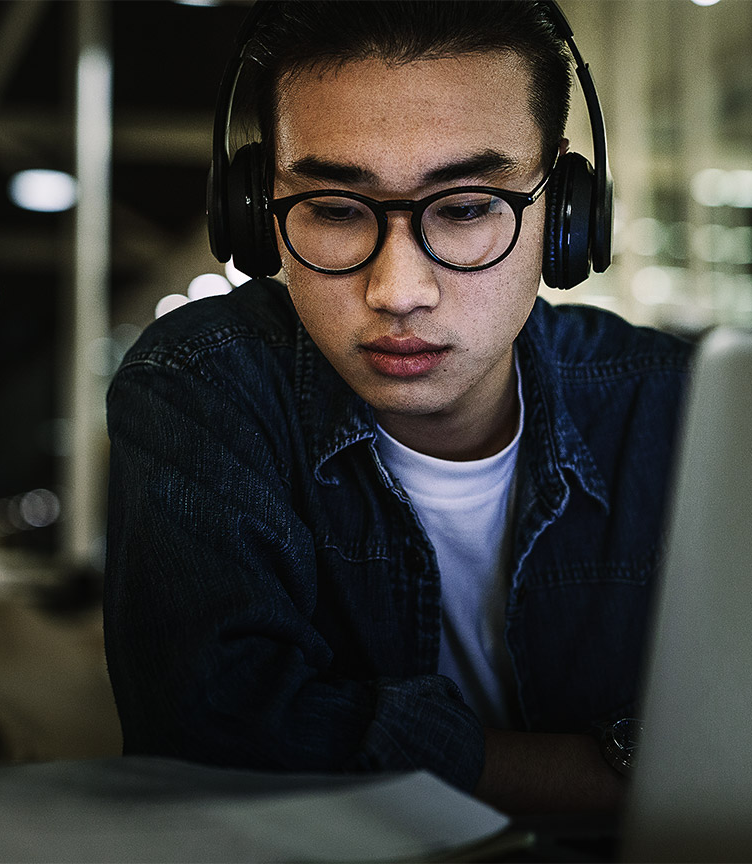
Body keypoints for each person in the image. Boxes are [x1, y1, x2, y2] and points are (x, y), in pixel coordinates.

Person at [104, 0, 691, 814]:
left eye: (465, 208)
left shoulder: (685, 407)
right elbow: (214, 732)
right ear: (255, 206)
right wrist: (612, 778)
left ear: (563, 208)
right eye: (337, 211)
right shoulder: (203, 381)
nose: (399, 291)